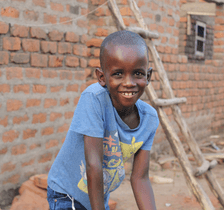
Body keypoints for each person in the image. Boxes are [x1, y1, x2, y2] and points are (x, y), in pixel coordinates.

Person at [47, 30, 159, 210]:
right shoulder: (94, 99)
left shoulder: (149, 119)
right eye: (118, 74)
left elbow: (140, 178)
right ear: (101, 77)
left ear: (148, 76)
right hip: (66, 194)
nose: (129, 82)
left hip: (98, 195)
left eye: (138, 73)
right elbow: (93, 165)